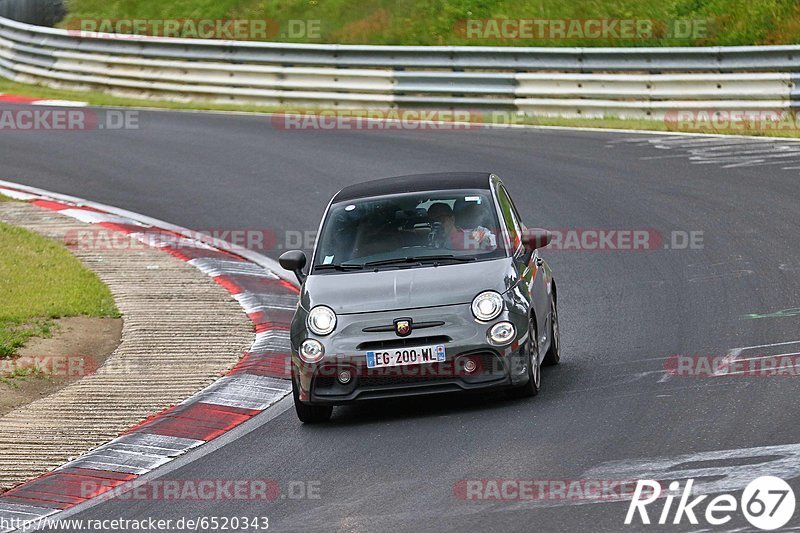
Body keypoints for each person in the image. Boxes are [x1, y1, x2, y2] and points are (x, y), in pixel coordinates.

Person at [427, 202, 496, 251]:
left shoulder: (475, 232)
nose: (437, 224)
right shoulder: (422, 239)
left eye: (441, 219)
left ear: (452, 219)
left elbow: (493, 244)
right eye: (432, 221)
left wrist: (477, 240)